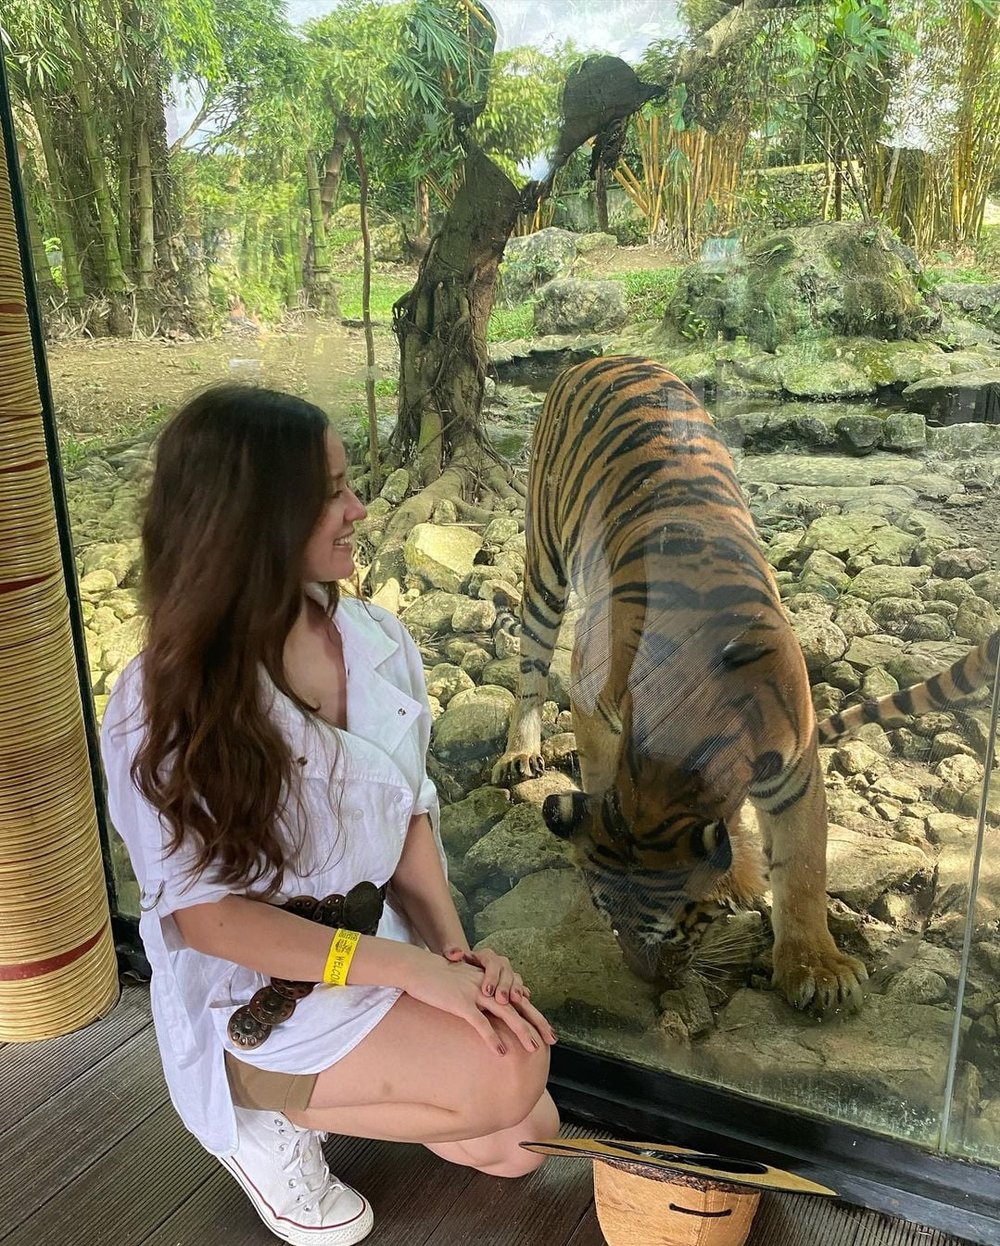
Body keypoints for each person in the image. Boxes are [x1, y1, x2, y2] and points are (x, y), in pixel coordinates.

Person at [100, 385, 560, 1246]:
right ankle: (260, 1115)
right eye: (331, 494)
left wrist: (452, 955)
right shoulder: (158, 709)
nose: (358, 509)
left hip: (371, 953)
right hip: (253, 991)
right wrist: (413, 975)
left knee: (525, 1139)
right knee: (506, 1076)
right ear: (252, 522)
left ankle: (371, 1083)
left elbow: (408, 818)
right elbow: (205, 918)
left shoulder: (379, 643)